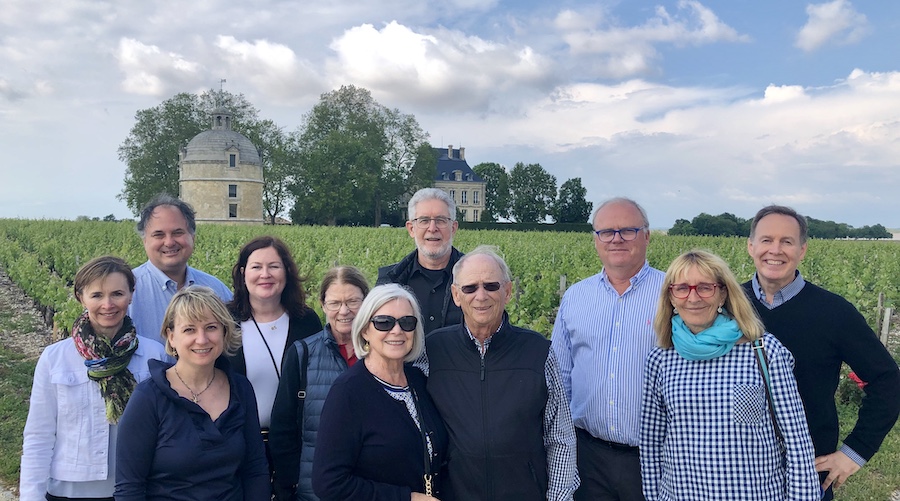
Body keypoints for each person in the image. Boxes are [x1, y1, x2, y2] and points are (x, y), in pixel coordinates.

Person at [743, 204, 900, 499]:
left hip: (805, 474)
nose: (775, 250)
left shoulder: (834, 313)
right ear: (751, 246)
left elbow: (887, 380)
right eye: (766, 240)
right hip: (734, 471)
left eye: (786, 241)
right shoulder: (727, 307)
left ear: (802, 250)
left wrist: (855, 452)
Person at [640, 249, 820, 500]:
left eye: (705, 287)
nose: (693, 298)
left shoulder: (764, 351)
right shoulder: (661, 359)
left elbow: (797, 441)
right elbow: (652, 444)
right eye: (682, 288)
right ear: (670, 297)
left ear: (723, 293)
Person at [424, 245, 578, 501]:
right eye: (470, 288)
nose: (481, 296)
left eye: (491, 286)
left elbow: (559, 436)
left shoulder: (538, 351)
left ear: (507, 292)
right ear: (456, 295)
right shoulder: (434, 350)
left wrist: (559, 497)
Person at [20, 256, 167, 501]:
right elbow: (39, 435)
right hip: (67, 491)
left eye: (117, 293)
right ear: (81, 297)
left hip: (136, 489)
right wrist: (30, 496)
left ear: (131, 294)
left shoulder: (154, 355)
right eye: (97, 295)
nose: (108, 304)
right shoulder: (55, 358)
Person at [550, 197, 664, 500]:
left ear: (647, 236)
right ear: (595, 239)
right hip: (588, 457)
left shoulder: (673, 294)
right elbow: (561, 376)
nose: (616, 239)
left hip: (656, 458)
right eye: (606, 232)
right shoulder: (576, 297)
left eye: (628, 230)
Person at [115, 286, 269, 500]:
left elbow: (255, 469)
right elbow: (129, 488)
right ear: (171, 337)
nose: (202, 339)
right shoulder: (148, 398)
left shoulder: (241, 389)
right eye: (189, 329)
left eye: (211, 327)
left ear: (224, 332)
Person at [312, 284, 447, 501]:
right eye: (384, 322)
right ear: (365, 330)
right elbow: (328, 482)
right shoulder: (348, 392)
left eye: (406, 322)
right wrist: (406, 498)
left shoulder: (419, 381)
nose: (397, 331)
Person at [269, 266, 371, 501]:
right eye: (335, 303)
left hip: (370, 488)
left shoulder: (384, 353)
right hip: (313, 491)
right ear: (323, 305)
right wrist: (288, 485)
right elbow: (283, 427)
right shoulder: (302, 354)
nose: (344, 311)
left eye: (353, 302)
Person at [227, 235, 323, 478]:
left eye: (274, 266)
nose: (265, 274)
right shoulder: (223, 321)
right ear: (242, 273)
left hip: (295, 448)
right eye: (256, 267)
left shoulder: (306, 321)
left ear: (287, 272)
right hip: (237, 446)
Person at [129, 193, 233, 342]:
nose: (169, 242)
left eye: (178, 233)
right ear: (144, 241)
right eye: (159, 235)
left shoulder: (217, 289)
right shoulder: (125, 292)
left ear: (193, 237)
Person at [377, 188, 463, 335]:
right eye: (424, 220)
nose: (432, 228)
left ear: (453, 228)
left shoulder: (475, 279)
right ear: (411, 229)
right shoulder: (389, 281)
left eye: (440, 220)